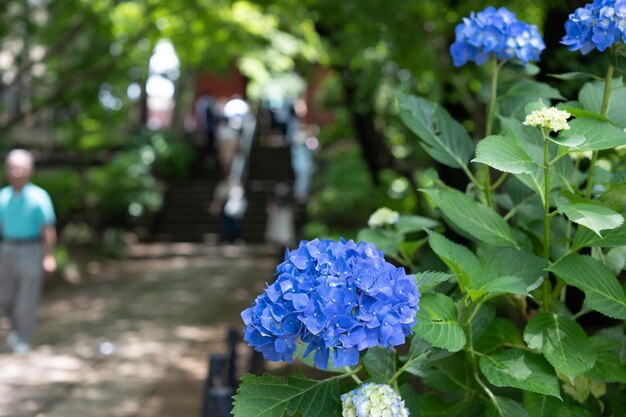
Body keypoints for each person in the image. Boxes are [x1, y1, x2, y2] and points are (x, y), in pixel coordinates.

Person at [0, 149, 57, 354]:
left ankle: (23, 338)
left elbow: (48, 228)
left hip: (31, 249)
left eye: (21, 168)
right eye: (12, 167)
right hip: (7, 249)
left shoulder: (39, 197)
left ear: (29, 171)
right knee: (4, 297)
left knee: (27, 297)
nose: (16, 172)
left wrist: (49, 256)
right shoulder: (3, 197)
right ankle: (16, 331)